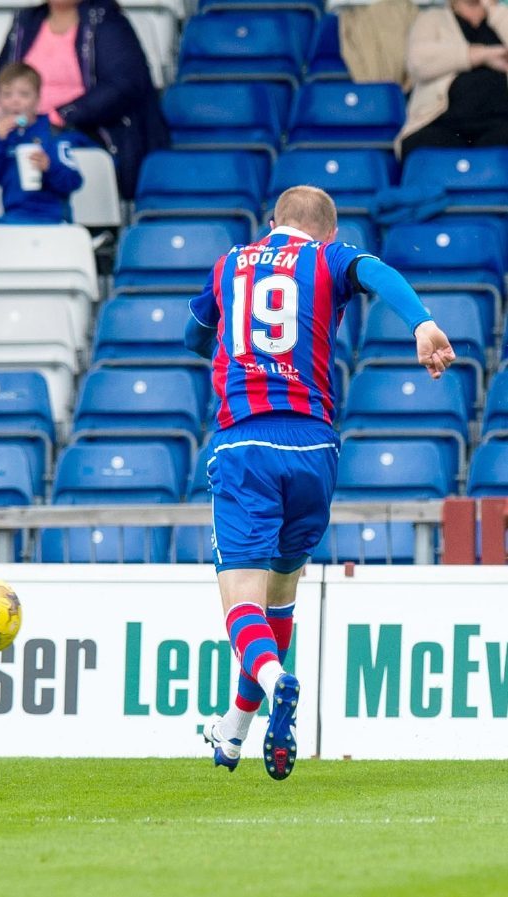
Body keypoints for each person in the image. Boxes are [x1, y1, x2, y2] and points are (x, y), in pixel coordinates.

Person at [184, 186, 454, 781]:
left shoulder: (231, 262)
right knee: (282, 593)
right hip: (313, 446)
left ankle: (278, 679)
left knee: (242, 601)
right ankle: (234, 728)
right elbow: (375, 271)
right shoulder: (330, 259)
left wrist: (220, 341)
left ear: (273, 224)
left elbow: (194, 333)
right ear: (326, 235)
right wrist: (423, 324)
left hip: (245, 442)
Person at [0, 0, 163, 198]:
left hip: (85, 130)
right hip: (24, 127)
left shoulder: (106, 20)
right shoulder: (26, 20)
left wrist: (60, 116)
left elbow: (124, 85)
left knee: (50, 150)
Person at [0, 63, 85, 255]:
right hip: (13, 218)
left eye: (23, 95)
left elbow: (74, 181)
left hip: (52, 219)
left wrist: (49, 167)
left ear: (37, 99)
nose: (15, 102)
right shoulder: (4, 136)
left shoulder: (54, 135)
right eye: (7, 95)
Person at [399, 0, 508, 158]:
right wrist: (482, 54)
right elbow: (418, 61)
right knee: (425, 149)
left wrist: (494, 10)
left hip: (500, 123)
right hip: (441, 122)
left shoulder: (503, 16)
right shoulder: (432, 18)